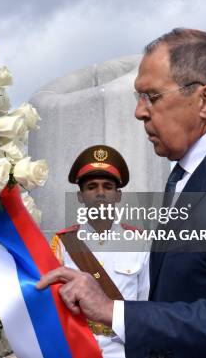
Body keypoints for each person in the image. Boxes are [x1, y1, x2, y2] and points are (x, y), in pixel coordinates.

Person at [38, 28, 206, 358]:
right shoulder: (196, 173)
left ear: (205, 100)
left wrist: (113, 311)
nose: (139, 112)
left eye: (151, 96)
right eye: (138, 98)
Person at [50, 144, 149, 357]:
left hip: (124, 350)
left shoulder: (140, 242)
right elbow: (54, 305)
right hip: (76, 347)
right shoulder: (64, 242)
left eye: (108, 186)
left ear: (118, 195)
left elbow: (146, 303)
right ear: (80, 196)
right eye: (92, 186)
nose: (100, 193)